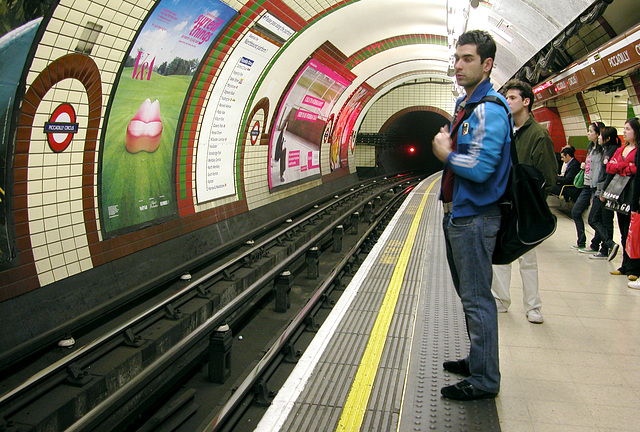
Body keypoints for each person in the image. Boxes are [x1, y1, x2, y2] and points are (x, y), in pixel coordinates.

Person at [432, 30, 511, 401]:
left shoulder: (489, 110)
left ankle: (484, 380)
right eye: (457, 58)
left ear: (487, 64)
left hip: (475, 219)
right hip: (460, 216)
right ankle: (477, 359)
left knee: (478, 299)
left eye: (467, 59)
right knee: (470, 296)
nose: (458, 65)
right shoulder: (467, 106)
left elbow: (479, 169)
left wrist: (445, 154)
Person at [491, 79, 556, 324]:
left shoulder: (539, 135)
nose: (507, 102)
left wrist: (534, 205)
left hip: (526, 207)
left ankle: (533, 307)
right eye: (506, 98)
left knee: (527, 258)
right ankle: (501, 300)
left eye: (512, 98)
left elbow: (548, 176)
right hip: (504, 204)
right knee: (501, 254)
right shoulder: (504, 132)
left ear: (526, 101)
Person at [604, 117, 640, 281]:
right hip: (620, 193)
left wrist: (623, 167)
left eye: (627, 129)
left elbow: (636, 169)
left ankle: (634, 266)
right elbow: (610, 167)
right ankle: (625, 265)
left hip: (633, 192)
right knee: (624, 230)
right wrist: (626, 167)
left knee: (634, 232)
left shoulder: (637, 150)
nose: (624, 132)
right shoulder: (621, 149)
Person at [572, 122, 605, 253]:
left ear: (598, 134)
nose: (588, 134)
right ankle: (581, 241)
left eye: (591, 131)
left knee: (595, 218)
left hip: (596, 186)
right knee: (576, 212)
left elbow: (601, 169)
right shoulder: (590, 147)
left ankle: (597, 244)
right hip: (586, 185)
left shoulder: (603, 150)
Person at [588, 126, 620, 260]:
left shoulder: (611, 152)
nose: (599, 138)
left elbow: (608, 174)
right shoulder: (604, 150)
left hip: (604, 191)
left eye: (601, 135)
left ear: (607, 138)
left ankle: (609, 244)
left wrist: (602, 192)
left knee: (594, 219)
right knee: (604, 220)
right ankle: (606, 248)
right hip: (600, 189)